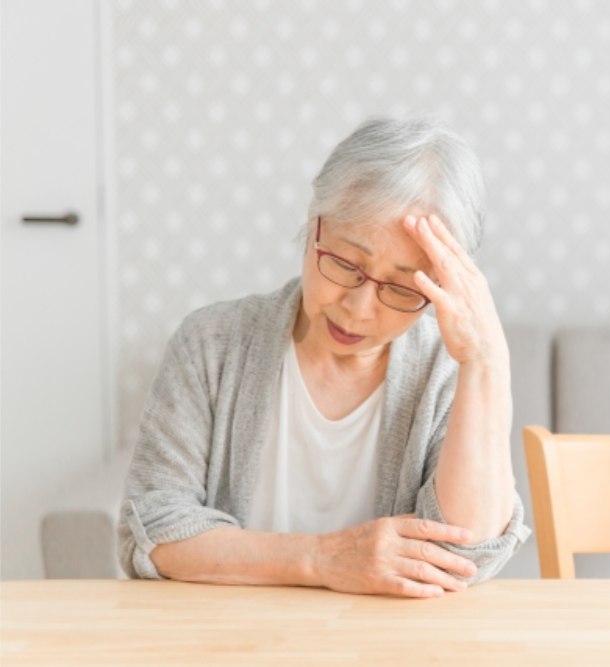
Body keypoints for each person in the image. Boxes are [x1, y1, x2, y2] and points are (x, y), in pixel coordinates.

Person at [118, 115, 530, 598]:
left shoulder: (446, 372)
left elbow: (465, 558)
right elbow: (152, 530)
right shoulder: (212, 344)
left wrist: (485, 361)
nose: (358, 308)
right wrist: (323, 559)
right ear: (316, 222)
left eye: (400, 286)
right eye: (345, 263)